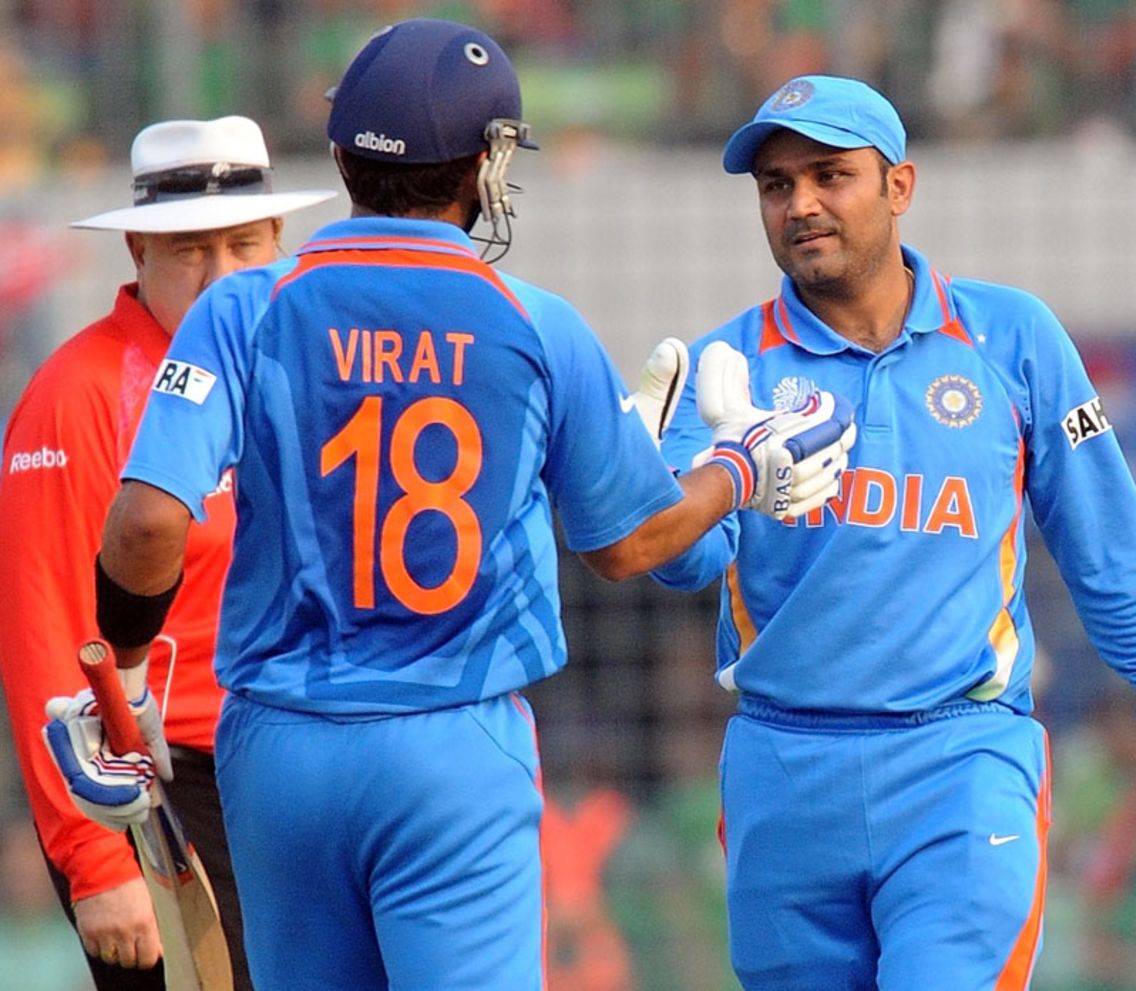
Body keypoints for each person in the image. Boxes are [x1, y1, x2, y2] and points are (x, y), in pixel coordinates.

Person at [42, 20, 855, 991]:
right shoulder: (532, 321)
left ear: (341, 158)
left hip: (276, 750)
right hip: (449, 742)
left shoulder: (240, 308)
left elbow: (144, 525)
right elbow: (632, 544)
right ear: (482, 163)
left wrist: (126, 673)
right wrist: (739, 468)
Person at [649, 74, 1136, 991]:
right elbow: (683, 567)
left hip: (959, 761)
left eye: (830, 175)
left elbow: (1110, 560)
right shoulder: (725, 370)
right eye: (777, 185)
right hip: (782, 772)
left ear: (900, 186)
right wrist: (680, 485)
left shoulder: (1013, 337)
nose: (801, 204)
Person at [0, 115, 335, 989]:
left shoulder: (308, 368)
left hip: (300, 770)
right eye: (190, 249)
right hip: (159, 790)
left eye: (242, 243)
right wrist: (98, 861)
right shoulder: (76, 395)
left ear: (278, 242)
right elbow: (44, 631)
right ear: (139, 251)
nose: (221, 273)